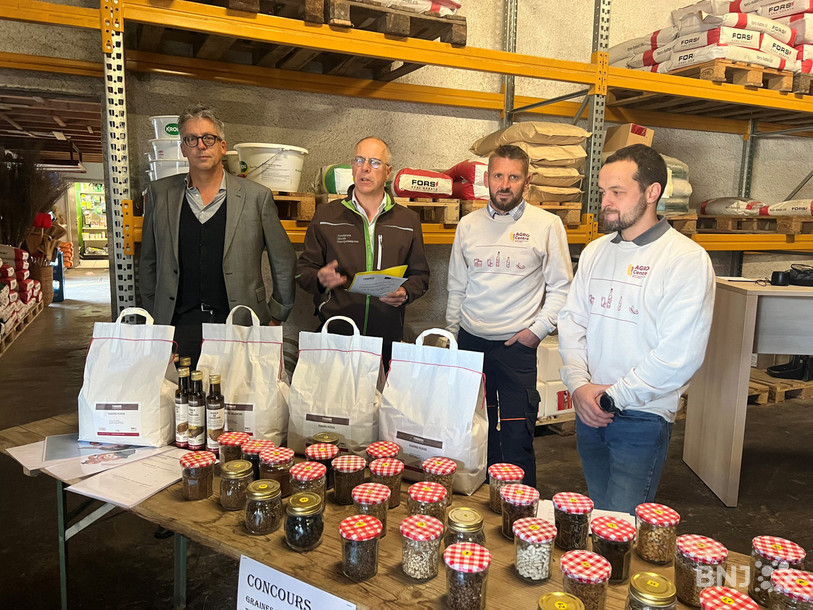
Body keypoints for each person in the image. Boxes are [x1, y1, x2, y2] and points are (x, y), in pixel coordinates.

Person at [557, 144, 715, 514]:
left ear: (652, 192)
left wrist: (613, 398)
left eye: (617, 192)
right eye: (602, 192)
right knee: (598, 514)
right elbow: (573, 321)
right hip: (589, 410)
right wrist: (579, 386)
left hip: (642, 417)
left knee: (624, 525)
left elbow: (680, 355)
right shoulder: (596, 252)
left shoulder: (685, 260)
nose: (606, 202)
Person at [445, 144, 573, 488]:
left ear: (526, 182)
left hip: (516, 347)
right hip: (471, 344)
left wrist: (536, 331)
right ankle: (476, 512)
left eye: (513, 177)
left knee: (517, 436)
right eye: (498, 176)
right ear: (487, 179)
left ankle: (518, 513)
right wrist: (453, 335)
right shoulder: (468, 226)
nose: (505, 184)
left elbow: (562, 287)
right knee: (476, 433)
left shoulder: (547, 225)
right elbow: (457, 286)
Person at [140, 103, 296, 366]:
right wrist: (156, 314)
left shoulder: (256, 197)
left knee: (240, 402)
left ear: (222, 147)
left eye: (208, 138)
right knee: (183, 402)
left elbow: (284, 260)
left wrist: (277, 314)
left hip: (240, 323)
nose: (201, 145)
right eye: (191, 139)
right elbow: (148, 262)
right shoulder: (160, 195)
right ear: (183, 149)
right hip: (179, 326)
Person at [296, 136, 429, 367]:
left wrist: (405, 292)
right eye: (359, 160)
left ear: (388, 172)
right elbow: (302, 271)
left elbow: (421, 275)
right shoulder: (326, 216)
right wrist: (319, 278)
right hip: (336, 336)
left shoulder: (409, 221)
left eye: (375, 162)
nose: (365, 168)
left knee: (378, 403)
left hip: (385, 339)